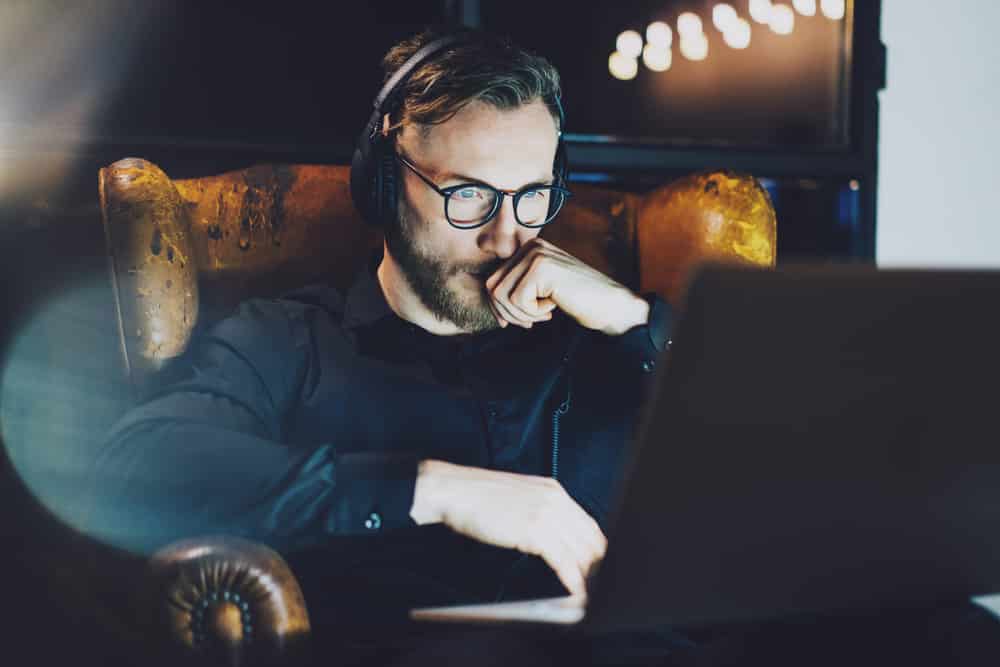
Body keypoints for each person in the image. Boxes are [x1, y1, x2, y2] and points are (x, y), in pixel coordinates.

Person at [92, 27, 1000, 667]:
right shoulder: (287, 342)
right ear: (382, 178)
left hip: (682, 650)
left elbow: (813, 456)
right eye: (470, 197)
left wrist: (636, 321)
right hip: (443, 653)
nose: (505, 234)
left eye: (532, 195)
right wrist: (433, 488)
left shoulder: (606, 335)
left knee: (954, 630)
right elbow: (139, 464)